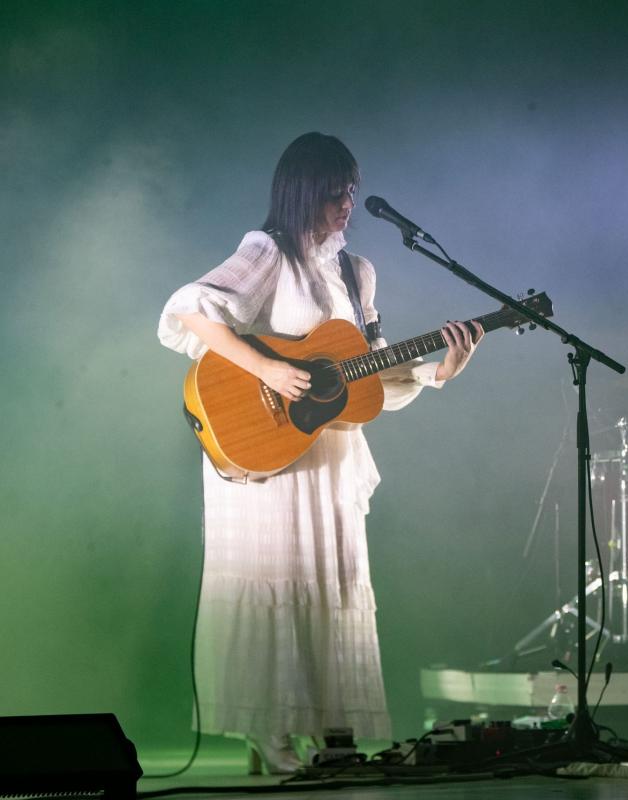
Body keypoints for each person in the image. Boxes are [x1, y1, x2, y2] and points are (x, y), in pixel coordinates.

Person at [157, 132, 482, 774]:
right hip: (267, 447)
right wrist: (269, 371)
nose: (349, 202)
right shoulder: (267, 252)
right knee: (274, 580)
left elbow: (368, 381)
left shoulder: (357, 273)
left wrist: (441, 372)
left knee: (325, 586)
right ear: (306, 190)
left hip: (328, 456)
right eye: (338, 190)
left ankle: (317, 733)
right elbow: (189, 309)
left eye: (354, 190)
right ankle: (267, 731)